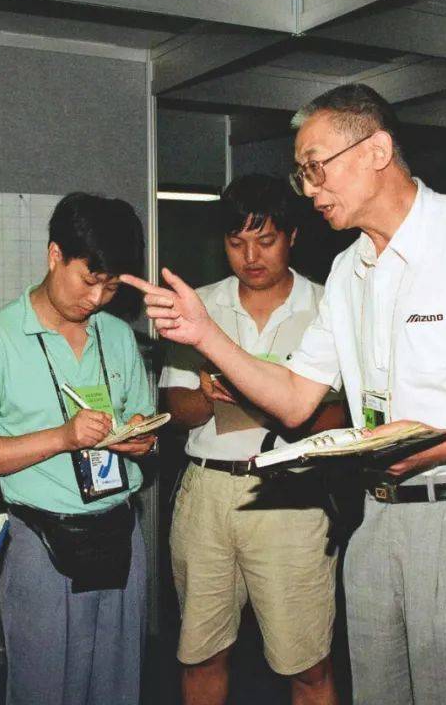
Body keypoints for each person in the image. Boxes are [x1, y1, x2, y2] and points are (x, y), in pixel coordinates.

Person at [123, 84, 446, 705]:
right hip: (376, 519)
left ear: (376, 149)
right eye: (301, 173)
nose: (309, 187)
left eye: (316, 166)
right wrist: (207, 336)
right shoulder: (351, 271)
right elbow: (296, 398)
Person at [0, 193, 156, 705]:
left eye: (110, 287)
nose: (97, 299)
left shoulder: (118, 337)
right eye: (89, 280)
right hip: (40, 539)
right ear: (54, 255)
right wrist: (62, 438)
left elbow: (144, 428)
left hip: (120, 529)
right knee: (44, 687)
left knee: (118, 685)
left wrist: (140, 439)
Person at [159, 174, 344, 705]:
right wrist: (213, 394)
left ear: (292, 237)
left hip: (291, 492)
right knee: (201, 653)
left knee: (305, 661)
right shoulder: (198, 306)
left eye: (265, 241)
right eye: (237, 243)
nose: (251, 256)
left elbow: (341, 417)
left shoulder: (328, 305)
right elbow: (179, 410)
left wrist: (264, 395)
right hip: (207, 495)